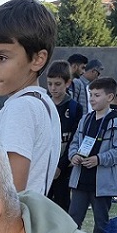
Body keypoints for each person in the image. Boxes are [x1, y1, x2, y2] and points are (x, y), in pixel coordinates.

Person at [0, 0, 61, 196]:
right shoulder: (43, 104)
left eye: (2, 58)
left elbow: (8, 195)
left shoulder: (21, 109)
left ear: (37, 59)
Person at [65, 76, 117, 233]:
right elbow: (74, 143)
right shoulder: (85, 119)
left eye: (97, 95)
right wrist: (73, 155)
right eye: (91, 95)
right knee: (72, 221)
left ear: (109, 97)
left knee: (101, 224)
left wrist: (99, 159)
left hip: (102, 185)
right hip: (81, 180)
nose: (92, 99)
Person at [44, 60, 83, 214]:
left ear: (68, 83)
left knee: (61, 208)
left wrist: (61, 166)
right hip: (44, 165)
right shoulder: (43, 105)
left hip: (64, 167)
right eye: (50, 84)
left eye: (57, 84)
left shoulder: (74, 108)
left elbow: (75, 139)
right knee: (40, 207)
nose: (53, 88)